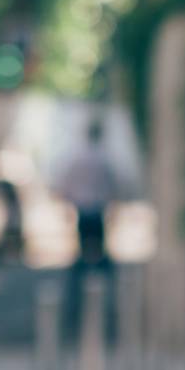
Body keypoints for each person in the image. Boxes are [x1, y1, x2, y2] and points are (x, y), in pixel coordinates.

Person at [56, 120, 117, 334]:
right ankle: (102, 293)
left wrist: (66, 206)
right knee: (99, 253)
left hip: (82, 210)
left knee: (82, 252)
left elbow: (66, 185)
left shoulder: (78, 157)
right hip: (98, 211)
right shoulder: (103, 159)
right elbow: (112, 186)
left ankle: (78, 296)